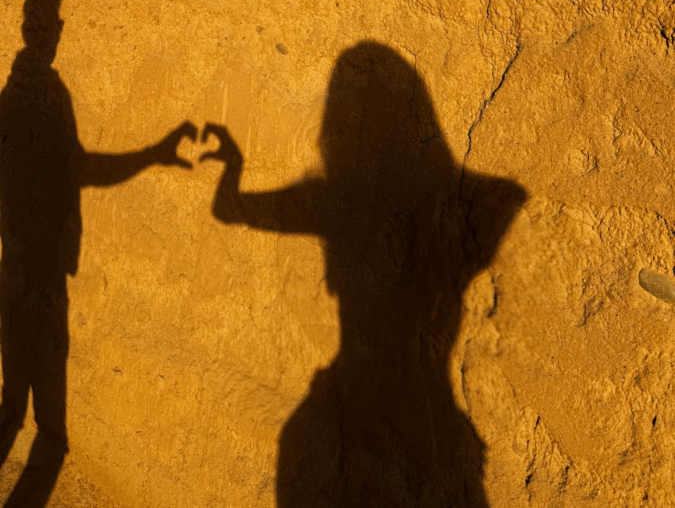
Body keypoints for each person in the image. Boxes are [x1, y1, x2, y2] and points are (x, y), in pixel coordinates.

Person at [202, 40, 526, 507]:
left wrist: (232, 164)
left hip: (364, 410)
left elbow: (230, 209)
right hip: (429, 417)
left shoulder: (335, 200)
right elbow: (508, 198)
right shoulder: (473, 198)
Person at [0, 0, 196, 507]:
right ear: (33, 29)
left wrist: (153, 154)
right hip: (30, 270)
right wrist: (152, 155)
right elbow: (79, 169)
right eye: (53, 22)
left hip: (35, 268)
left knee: (24, 413)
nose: (60, 30)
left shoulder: (35, 93)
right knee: (24, 416)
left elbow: (73, 170)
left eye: (59, 22)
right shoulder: (28, 97)